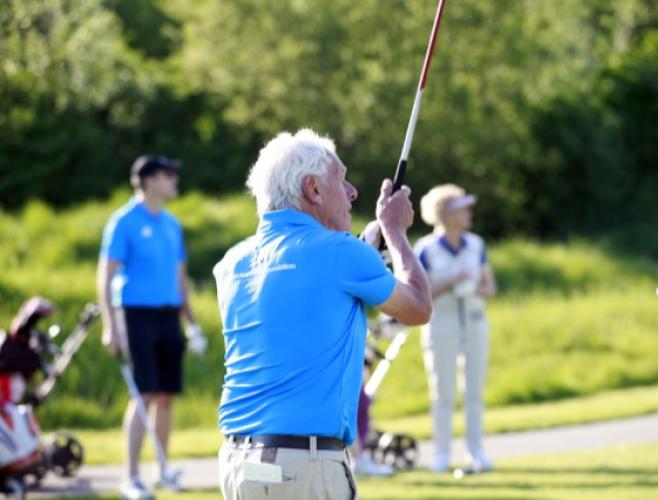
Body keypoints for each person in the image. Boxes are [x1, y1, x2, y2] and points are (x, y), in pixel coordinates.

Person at [213, 129, 431, 499]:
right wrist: (395, 232)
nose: (352, 192)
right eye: (340, 179)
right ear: (313, 189)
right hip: (304, 464)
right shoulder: (340, 253)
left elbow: (313, 291)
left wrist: (365, 249)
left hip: (238, 464)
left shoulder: (232, 262)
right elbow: (418, 306)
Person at [97, 155, 207, 500]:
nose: (174, 179)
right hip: (135, 315)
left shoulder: (172, 223)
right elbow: (105, 275)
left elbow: (180, 277)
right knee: (143, 395)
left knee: (165, 397)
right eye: (167, 174)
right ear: (147, 180)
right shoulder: (124, 221)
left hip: (168, 315)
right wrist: (110, 325)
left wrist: (192, 323)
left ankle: (163, 470)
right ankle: (131, 477)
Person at [413, 183, 497, 473]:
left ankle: (476, 452)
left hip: (475, 320)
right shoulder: (426, 249)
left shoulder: (476, 244)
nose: (468, 214)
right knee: (443, 391)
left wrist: (471, 286)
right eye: (462, 209)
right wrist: (450, 282)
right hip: (441, 322)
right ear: (446, 214)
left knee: (474, 391)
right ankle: (442, 454)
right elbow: (419, 293)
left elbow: (490, 288)